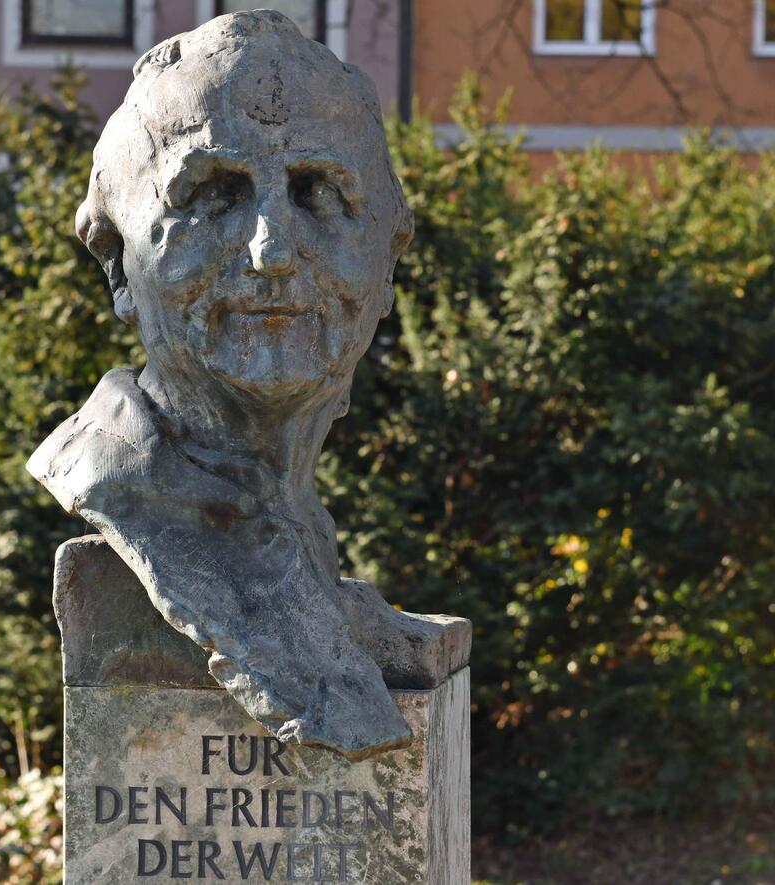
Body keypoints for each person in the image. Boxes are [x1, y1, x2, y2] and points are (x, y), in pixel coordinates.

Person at [30, 10, 459, 759]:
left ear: (388, 258)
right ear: (116, 262)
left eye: (318, 192)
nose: (272, 251)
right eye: (213, 196)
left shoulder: (300, 524)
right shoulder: (121, 483)